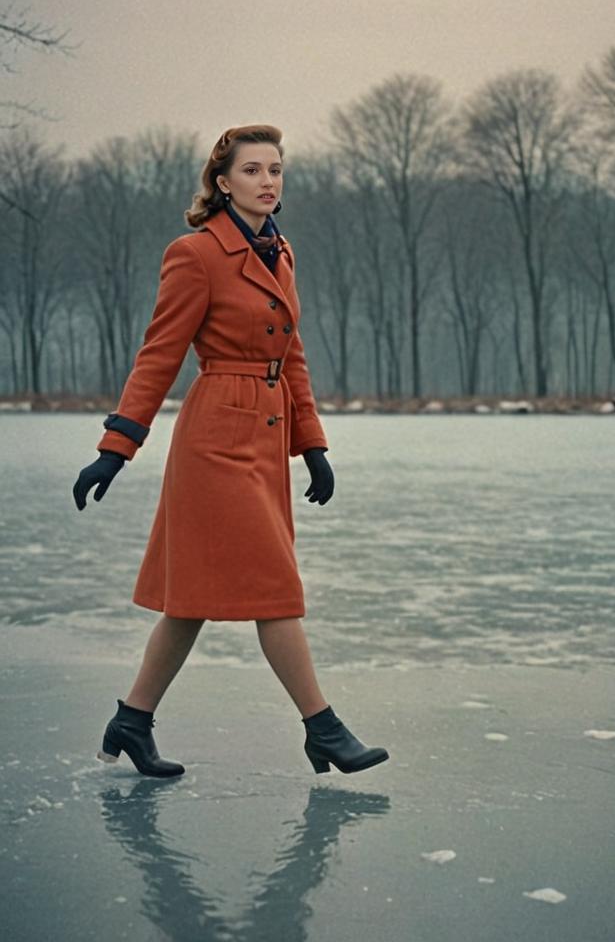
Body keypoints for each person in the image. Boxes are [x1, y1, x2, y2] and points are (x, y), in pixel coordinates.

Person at [72, 123, 389, 778]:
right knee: (276, 588)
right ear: (222, 182)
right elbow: (158, 356)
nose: (268, 181)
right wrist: (116, 445)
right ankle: (322, 728)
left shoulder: (281, 253)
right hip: (216, 437)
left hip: (268, 437)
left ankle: (132, 721)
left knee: (189, 600)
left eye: (276, 170)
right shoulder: (195, 254)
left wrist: (312, 444)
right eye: (252, 170)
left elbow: (290, 354)